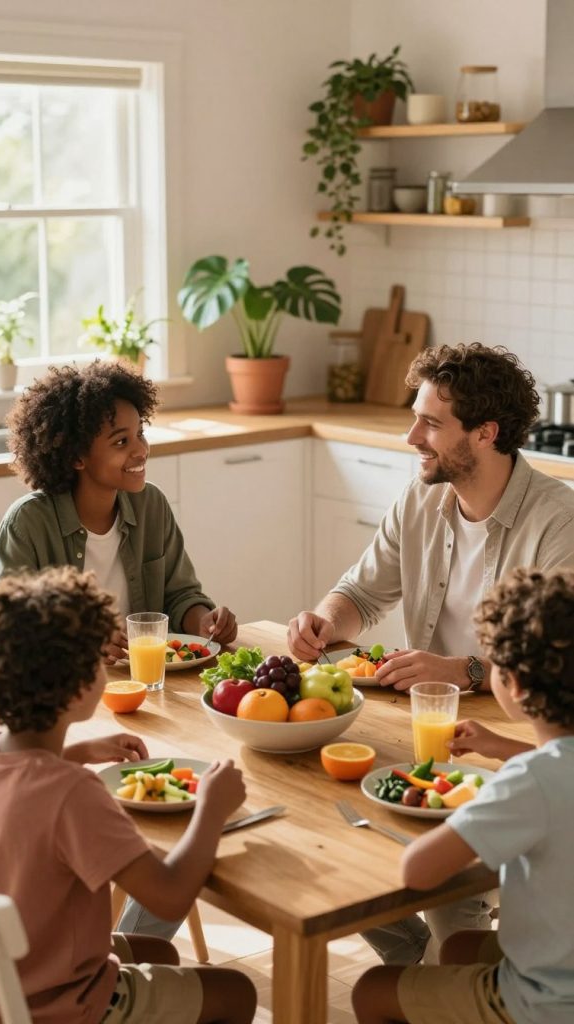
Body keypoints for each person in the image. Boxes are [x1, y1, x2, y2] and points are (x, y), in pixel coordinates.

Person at [288, 342, 574, 966]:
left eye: (431, 423)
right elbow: (360, 593)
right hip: (428, 728)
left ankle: (454, 966)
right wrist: (323, 620)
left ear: (486, 433)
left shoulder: (560, 521)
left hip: (517, 731)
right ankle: (429, 966)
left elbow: (561, 659)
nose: (411, 434)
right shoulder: (421, 499)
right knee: (330, 832)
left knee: (437, 880)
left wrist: (466, 671)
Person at [0, 565, 256, 1024]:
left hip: (7, 982)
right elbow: (169, 897)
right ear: (77, 690)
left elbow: (24, 786)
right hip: (65, 1003)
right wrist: (210, 809)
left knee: (156, 952)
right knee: (234, 991)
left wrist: (72, 752)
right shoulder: (75, 794)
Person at [351, 566, 574, 1024]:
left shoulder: (528, 783)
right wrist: (506, 748)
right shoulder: (543, 770)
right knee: (458, 947)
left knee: (373, 990)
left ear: (511, 685)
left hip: (544, 1002)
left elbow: (418, 870)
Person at [0, 360, 238, 662]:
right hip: (68, 690)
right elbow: (8, 632)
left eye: (140, 434)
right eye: (122, 441)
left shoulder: (151, 505)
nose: (141, 450)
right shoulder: (28, 524)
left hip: (146, 680)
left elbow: (180, 595)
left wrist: (203, 620)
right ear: (78, 457)